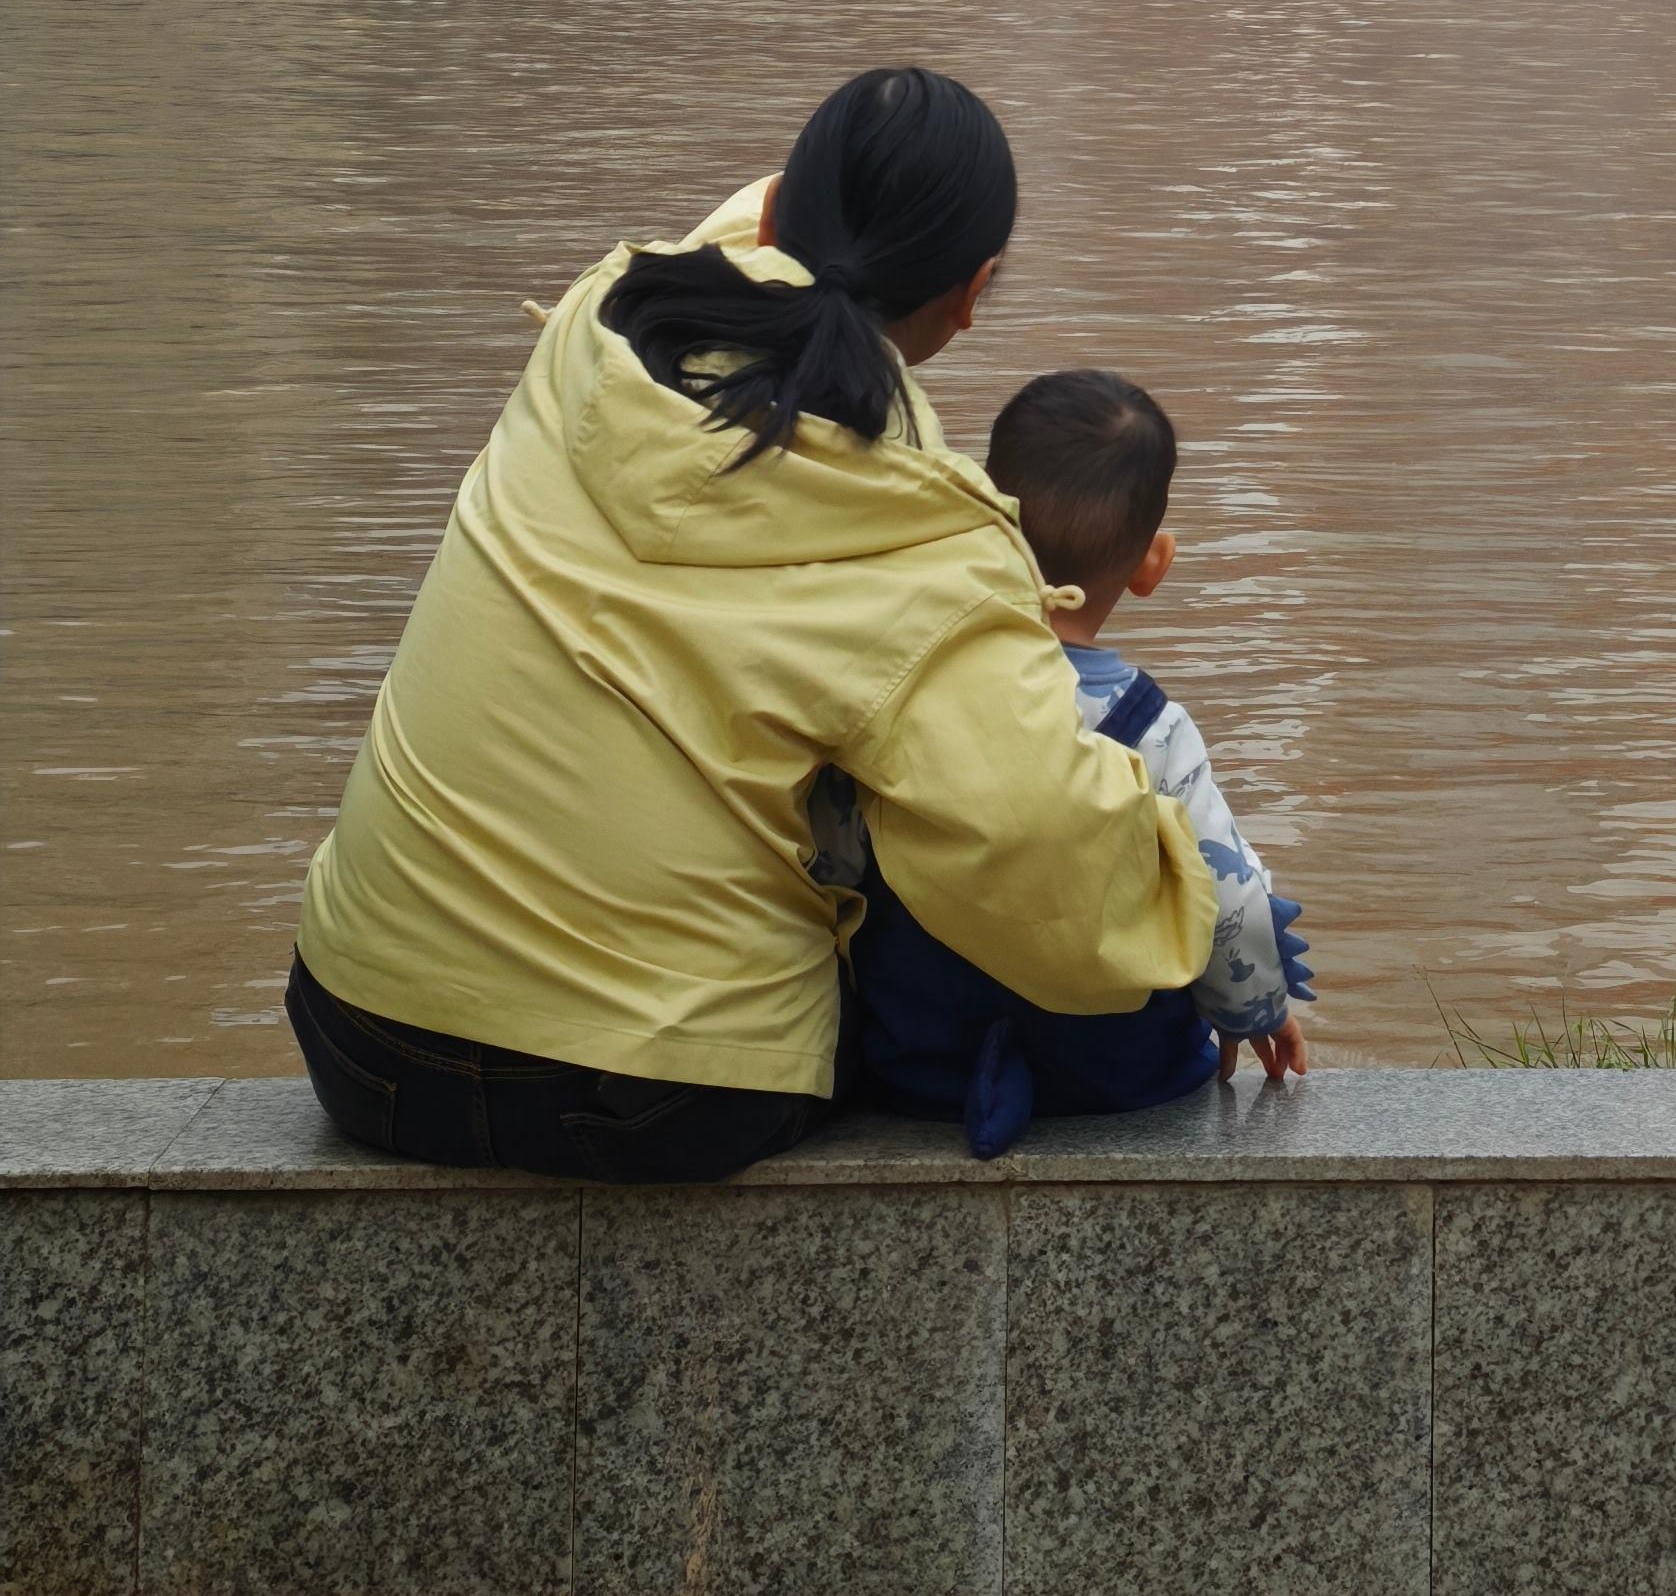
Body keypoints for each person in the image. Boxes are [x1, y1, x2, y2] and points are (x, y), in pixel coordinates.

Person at [287, 67, 1218, 1184]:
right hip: (658, 1096)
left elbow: (752, 228)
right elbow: (1036, 850)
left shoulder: (597, 329)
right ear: (972, 296)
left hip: (354, 1028)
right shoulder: (924, 536)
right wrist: (1203, 914)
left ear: (778, 212)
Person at [841, 368, 1314, 1155]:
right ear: (1152, 564)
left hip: (916, 1066)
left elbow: (835, 861)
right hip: (1124, 1073)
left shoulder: (906, 691)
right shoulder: (1151, 727)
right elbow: (1232, 903)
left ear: (987, 527)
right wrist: (1256, 1011)